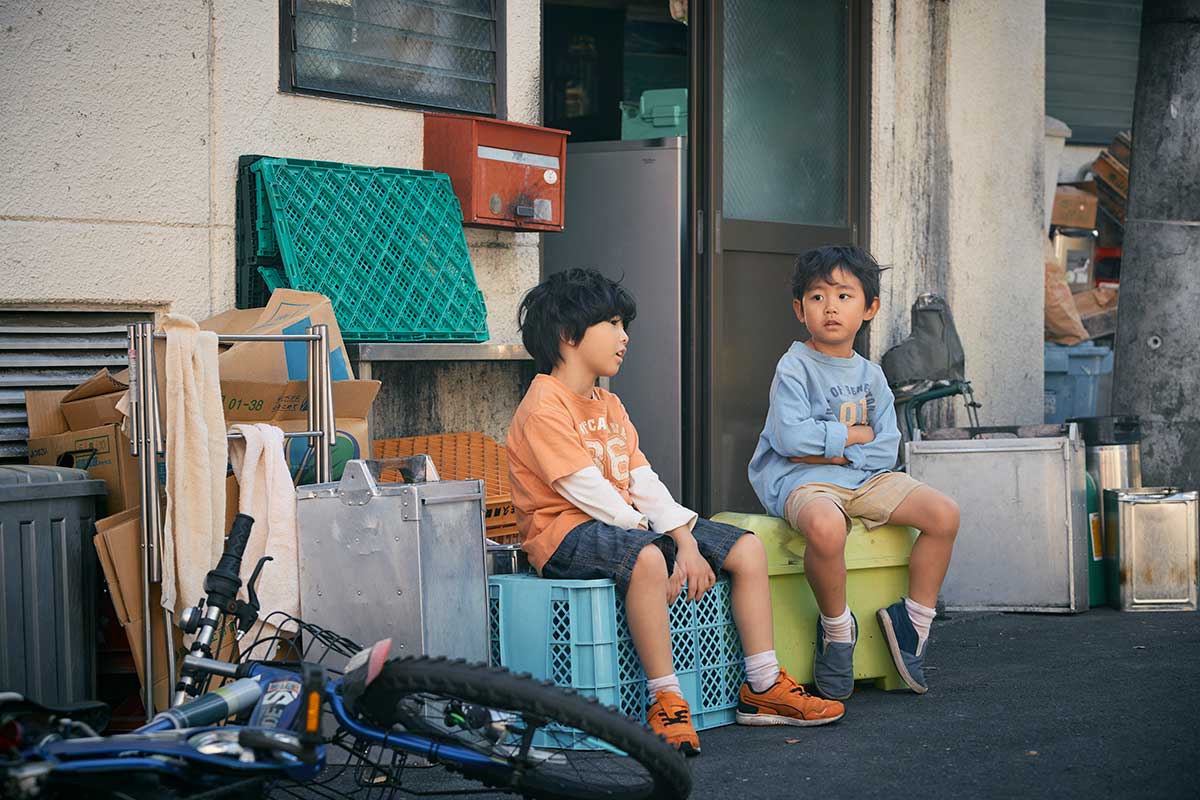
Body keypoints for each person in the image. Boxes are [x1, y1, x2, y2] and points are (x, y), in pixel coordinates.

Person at [507, 269, 844, 756]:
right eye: (613, 324)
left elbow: (641, 479)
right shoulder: (544, 405)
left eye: (625, 326)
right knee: (647, 558)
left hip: (626, 525)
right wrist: (668, 545)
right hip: (563, 533)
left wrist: (684, 536)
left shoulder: (609, 403)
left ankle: (763, 684)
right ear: (567, 333)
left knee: (746, 549)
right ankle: (665, 698)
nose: (625, 338)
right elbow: (589, 494)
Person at [748, 246, 960, 700]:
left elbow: (887, 445)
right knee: (826, 529)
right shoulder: (794, 367)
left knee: (944, 515)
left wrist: (836, 450)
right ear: (799, 308)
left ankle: (914, 624)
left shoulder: (872, 375)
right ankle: (837, 631)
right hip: (802, 482)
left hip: (863, 479)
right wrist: (850, 439)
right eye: (817, 297)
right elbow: (790, 441)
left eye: (844, 296)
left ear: (869, 308)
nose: (830, 307)